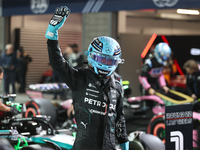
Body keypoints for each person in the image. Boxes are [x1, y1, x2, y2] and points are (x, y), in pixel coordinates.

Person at [45, 6, 129, 150]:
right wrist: (52, 33)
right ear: (91, 56)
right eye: (101, 59)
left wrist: (125, 144)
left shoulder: (117, 84)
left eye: (108, 61)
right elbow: (58, 63)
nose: (104, 64)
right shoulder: (79, 78)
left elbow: (119, 118)